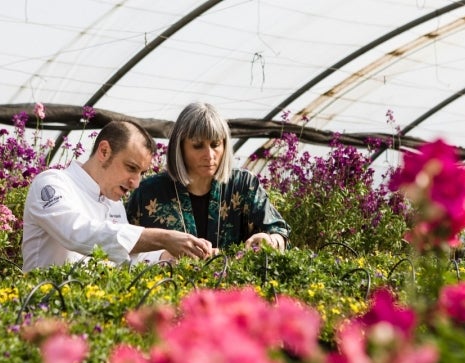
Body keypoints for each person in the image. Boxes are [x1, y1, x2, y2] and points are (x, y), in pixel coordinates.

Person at [22, 120, 213, 272]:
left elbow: (125, 259)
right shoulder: (52, 183)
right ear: (104, 151)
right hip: (44, 311)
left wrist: (170, 255)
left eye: (141, 173)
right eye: (131, 168)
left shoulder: (114, 204)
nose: (136, 183)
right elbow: (77, 233)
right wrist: (163, 237)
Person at [125, 102, 289, 253]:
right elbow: (123, 245)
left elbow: (279, 231)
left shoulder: (243, 185)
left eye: (215, 144)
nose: (209, 155)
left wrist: (270, 240)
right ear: (179, 147)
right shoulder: (148, 193)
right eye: (197, 146)